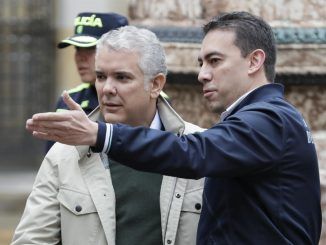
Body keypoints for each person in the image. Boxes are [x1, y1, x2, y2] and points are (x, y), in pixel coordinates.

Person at [26, 11, 322, 244]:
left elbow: (193, 153)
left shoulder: (267, 120)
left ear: (255, 61)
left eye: (215, 61)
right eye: (101, 77)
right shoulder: (65, 156)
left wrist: (99, 135)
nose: (202, 75)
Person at [14, 26, 205, 244]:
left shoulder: (200, 148)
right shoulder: (65, 155)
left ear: (155, 84)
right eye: (101, 77)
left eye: (122, 77)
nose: (107, 89)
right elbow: (31, 239)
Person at [45, 12, 129, 152]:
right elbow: (53, 161)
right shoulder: (69, 99)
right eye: (77, 48)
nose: (80, 57)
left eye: (91, 48)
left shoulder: (147, 98)